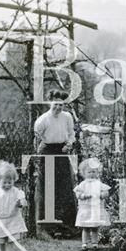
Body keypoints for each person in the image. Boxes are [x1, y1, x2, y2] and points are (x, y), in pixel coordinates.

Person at [33, 89, 79, 236]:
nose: (58, 107)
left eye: (62, 105)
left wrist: (69, 144)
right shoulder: (42, 120)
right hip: (47, 152)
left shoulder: (67, 117)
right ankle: (48, 227)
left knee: (65, 187)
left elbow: (72, 134)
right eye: (56, 104)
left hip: (63, 151)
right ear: (50, 102)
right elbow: (36, 138)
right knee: (48, 187)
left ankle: (67, 227)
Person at [74, 158, 111, 251]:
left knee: (95, 228)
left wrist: (102, 195)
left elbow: (106, 192)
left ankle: (95, 243)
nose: (91, 174)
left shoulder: (99, 183)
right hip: (86, 209)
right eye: (89, 172)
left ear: (97, 172)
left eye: (94, 171)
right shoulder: (83, 184)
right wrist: (83, 196)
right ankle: (84, 244)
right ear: (84, 173)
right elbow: (77, 193)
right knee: (85, 228)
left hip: (96, 209)